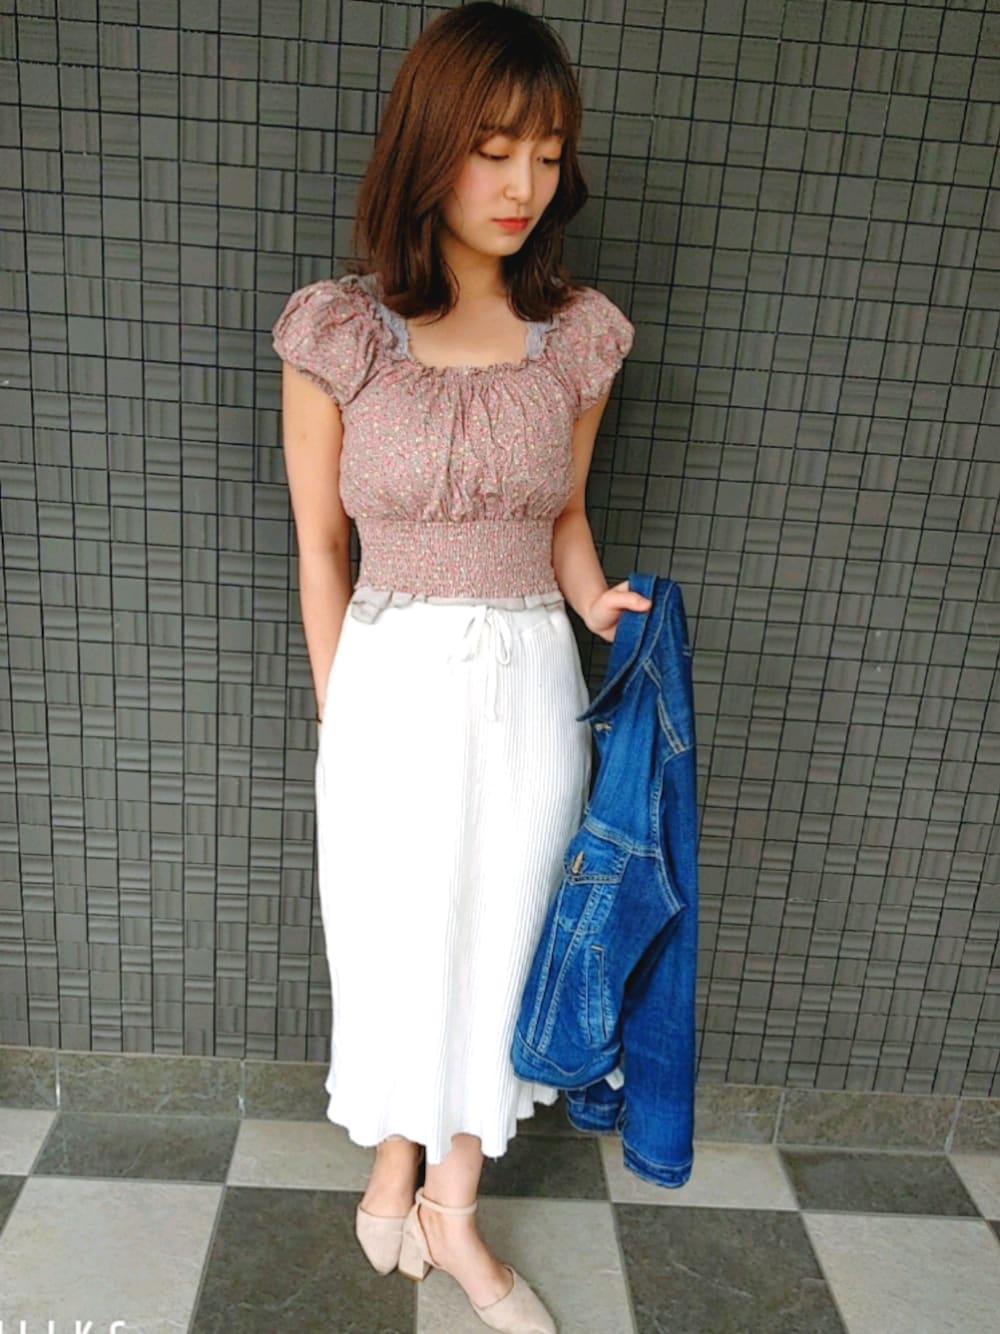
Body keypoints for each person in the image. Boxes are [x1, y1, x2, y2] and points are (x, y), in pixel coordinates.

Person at [272, 3, 651, 1330]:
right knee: (395, 939)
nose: (522, 184)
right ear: (428, 146)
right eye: (494, 149)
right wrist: (344, 714)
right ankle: (393, 1162)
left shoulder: (576, 335)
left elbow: (564, 515)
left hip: (530, 685)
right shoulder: (340, 333)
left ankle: (453, 1200)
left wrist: (596, 602)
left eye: (546, 153)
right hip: (389, 680)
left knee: (505, 941)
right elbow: (321, 546)